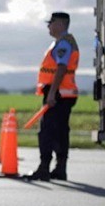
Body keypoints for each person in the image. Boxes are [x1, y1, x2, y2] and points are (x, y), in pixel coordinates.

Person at [27, 12, 79, 180]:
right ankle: (60, 169)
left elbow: (61, 68)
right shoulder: (65, 42)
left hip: (57, 94)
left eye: (51, 22)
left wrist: (51, 93)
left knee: (47, 132)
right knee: (60, 132)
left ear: (60, 24)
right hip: (64, 93)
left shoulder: (63, 43)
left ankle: (44, 168)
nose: (49, 26)